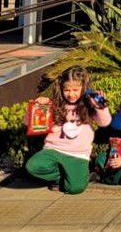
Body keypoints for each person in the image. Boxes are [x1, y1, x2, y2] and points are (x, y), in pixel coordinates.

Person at [24, 66, 111, 194]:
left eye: (76, 89)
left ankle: (79, 174)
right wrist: (38, 107)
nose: (71, 94)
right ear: (61, 89)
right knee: (32, 166)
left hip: (77, 154)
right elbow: (28, 123)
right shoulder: (54, 104)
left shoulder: (89, 105)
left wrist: (100, 108)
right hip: (54, 149)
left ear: (84, 88)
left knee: (74, 189)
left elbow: (105, 122)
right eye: (67, 90)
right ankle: (59, 177)